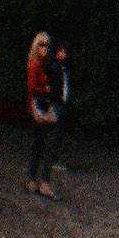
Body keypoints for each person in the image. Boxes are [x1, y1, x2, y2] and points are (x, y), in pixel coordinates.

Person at [25, 32, 60, 200]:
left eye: (47, 46)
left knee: (39, 144)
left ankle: (34, 179)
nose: (45, 48)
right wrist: (45, 90)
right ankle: (39, 180)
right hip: (39, 107)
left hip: (40, 106)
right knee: (43, 144)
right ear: (36, 46)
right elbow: (32, 87)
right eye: (42, 45)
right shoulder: (35, 64)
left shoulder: (41, 64)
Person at [47, 39, 71, 172]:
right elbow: (55, 87)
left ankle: (52, 159)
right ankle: (52, 160)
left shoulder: (61, 67)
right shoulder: (55, 67)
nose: (65, 55)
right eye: (63, 52)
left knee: (58, 133)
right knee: (56, 133)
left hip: (60, 102)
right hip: (57, 103)